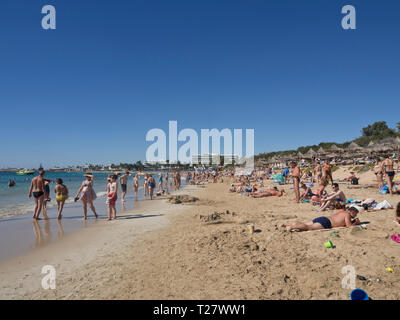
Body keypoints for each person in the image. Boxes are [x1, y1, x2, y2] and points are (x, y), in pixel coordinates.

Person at [283, 207, 360, 232]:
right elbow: (349, 226)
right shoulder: (347, 215)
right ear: (351, 212)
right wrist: (356, 223)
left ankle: (287, 224)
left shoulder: (342, 212)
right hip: (326, 223)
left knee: (305, 224)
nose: (355, 215)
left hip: (323, 218)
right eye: (355, 214)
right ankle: (292, 227)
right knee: (308, 228)